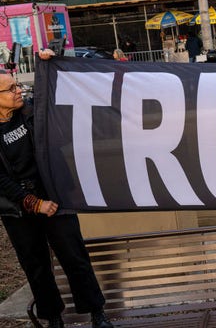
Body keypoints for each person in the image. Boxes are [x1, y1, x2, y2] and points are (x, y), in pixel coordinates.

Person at [0, 49, 113, 328]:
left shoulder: (31, 112)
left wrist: (50, 60)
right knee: (36, 265)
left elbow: (52, 90)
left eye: (17, 85)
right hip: (18, 208)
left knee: (74, 255)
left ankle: (96, 312)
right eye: (10, 88)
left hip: (53, 193)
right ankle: (53, 318)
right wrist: (33, 203)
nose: (18, 90)